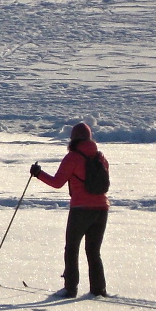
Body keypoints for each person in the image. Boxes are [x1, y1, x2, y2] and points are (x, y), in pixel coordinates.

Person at [30, 122, 110, 298]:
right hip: (102, 208)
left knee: (72, 248)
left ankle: (70, 288)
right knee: (94, 251)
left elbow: (57, 182)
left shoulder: (72, 158)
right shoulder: (100, 157)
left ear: (73, 138)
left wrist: (38, 174)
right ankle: (98, 289)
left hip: (80, 209)